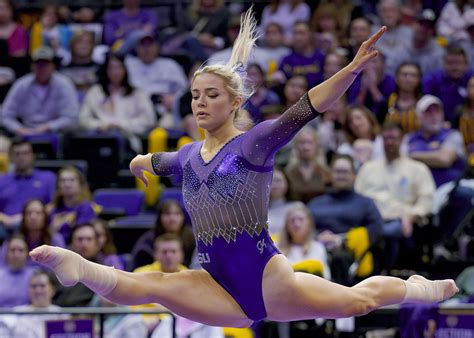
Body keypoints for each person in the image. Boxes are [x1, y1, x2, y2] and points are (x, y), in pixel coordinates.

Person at [30, 10, 458, 328]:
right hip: (216, 281)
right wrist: (137, 162)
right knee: (153, 284)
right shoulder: (187, 155)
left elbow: (308, 106)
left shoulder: (253, 143)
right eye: (195, 94)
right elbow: (155, 161)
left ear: (234, 102)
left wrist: (349, 69)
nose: (199, 102)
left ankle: (421, 288)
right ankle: (78, 266)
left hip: (266, 277)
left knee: (356, 302)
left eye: (211, 94)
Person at [0, 139, 56, 231]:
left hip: (38, 226)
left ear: (33, 155)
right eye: (17, 154)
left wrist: (30, 216)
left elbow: (53, 204)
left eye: (25, 153)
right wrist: (5, 219)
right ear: (10, 157)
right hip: (5, 227)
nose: (21, 157)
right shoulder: (1, 180)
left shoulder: (48, 178)